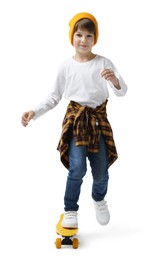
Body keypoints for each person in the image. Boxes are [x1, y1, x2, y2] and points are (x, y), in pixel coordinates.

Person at [21, 12, 127, 228]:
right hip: (76, 121)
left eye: (89, 36)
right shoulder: (66, 66)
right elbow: (54, 97)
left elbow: (122, 91)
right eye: (79, 35)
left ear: (95, 38)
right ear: (72, 37)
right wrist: (34, 111)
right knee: (77, 168)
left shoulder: (104, 62)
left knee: (101, 172)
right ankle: (70, 209)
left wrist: (115, 81)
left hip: (98, 121)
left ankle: (99, 199)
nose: (84, 40)